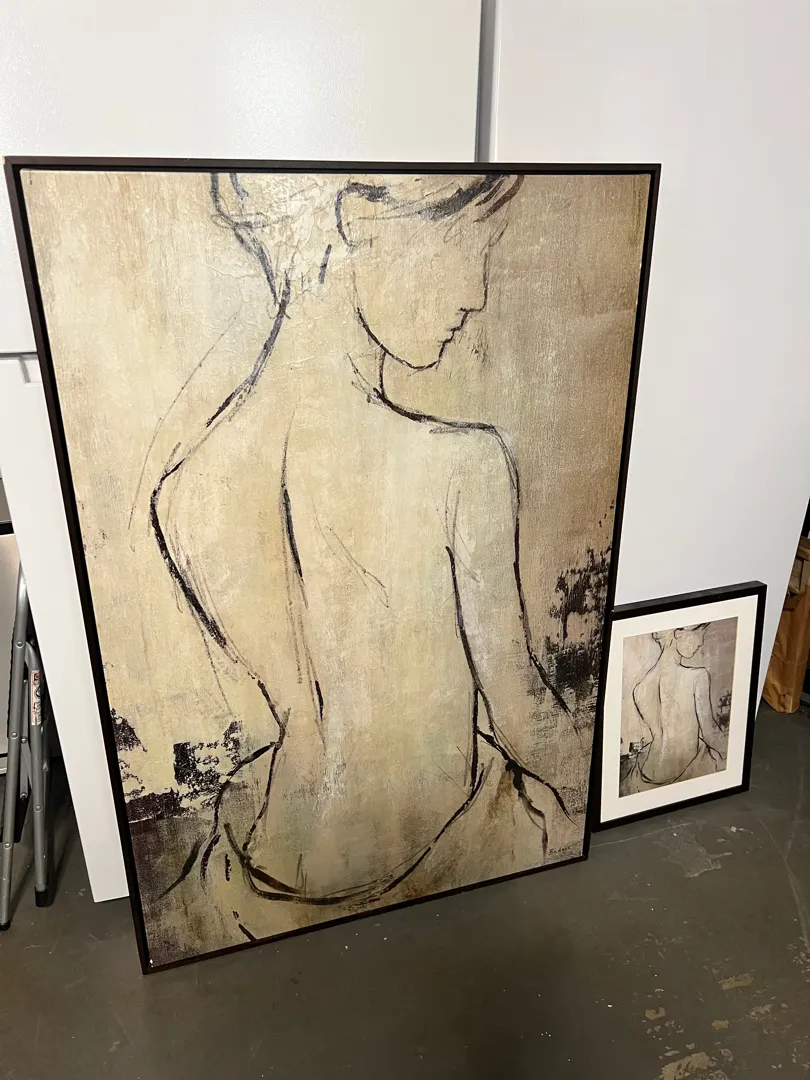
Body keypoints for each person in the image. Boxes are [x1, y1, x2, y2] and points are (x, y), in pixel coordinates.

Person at [151, 172, 585, 940]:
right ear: (359, 218)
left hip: (258, 881)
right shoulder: (462, 467)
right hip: (447, 857)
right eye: (467, 244)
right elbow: (523, 717)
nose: (477, 293)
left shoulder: (184, 491)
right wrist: (610, 794)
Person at [624, 625, 727, 793]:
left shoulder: (640, 688)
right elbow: (710, 734)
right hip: (687, 768)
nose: (701, 642)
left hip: (645, 774)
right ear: (679, 634)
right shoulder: (697, 676)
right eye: (699, 633)